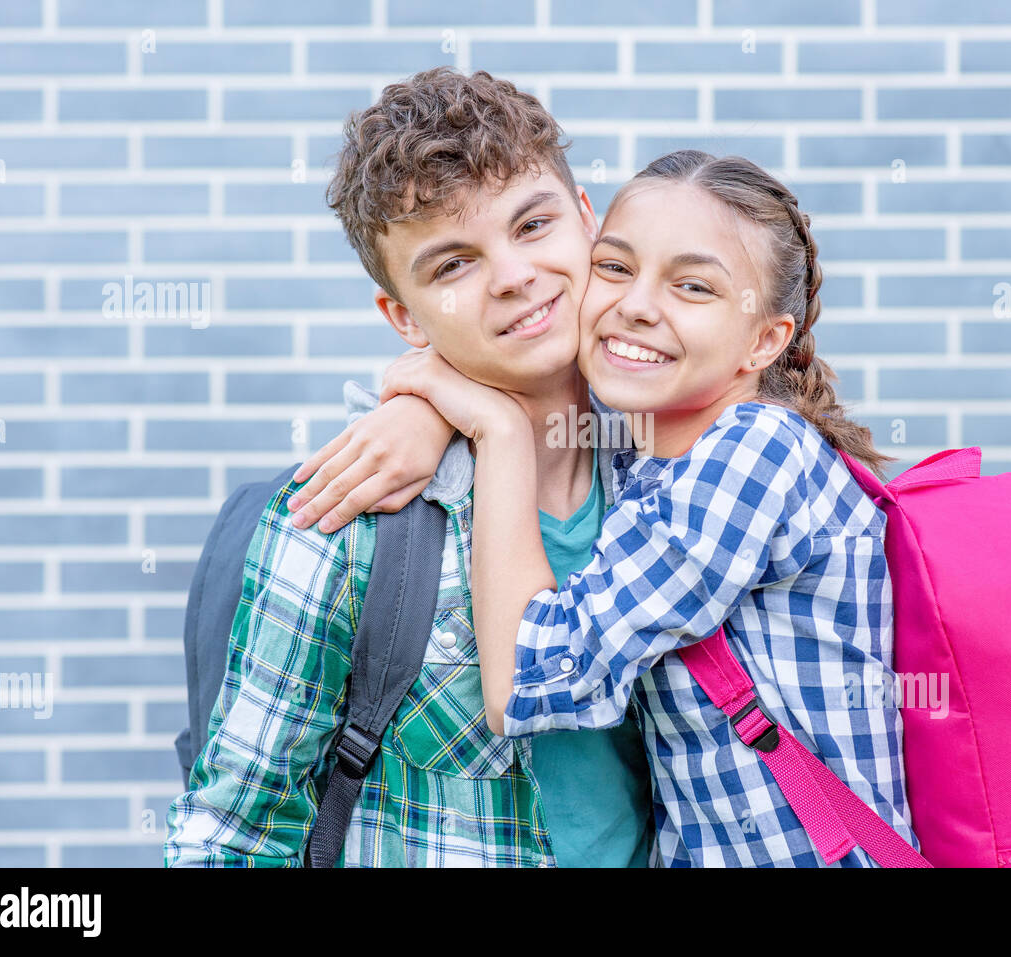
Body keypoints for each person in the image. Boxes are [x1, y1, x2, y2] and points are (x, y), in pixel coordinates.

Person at [303, 150, 922, 866]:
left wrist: (494, 428)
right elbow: (526, 371)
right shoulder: (639, 449)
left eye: (692, 286)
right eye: (617, 268)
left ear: (764, 340)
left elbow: (532, 680)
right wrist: (422, 409)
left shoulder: (755, 453)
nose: (636, 305)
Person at [163, 67, 654, 867]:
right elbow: (234, 835)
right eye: (452, 264)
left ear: (588, 220)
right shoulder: (348, 522)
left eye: (533, 226)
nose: (513, 276)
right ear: (402, 316)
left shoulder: (668, 473)